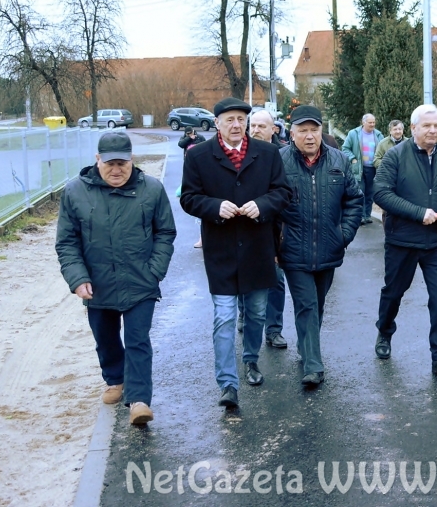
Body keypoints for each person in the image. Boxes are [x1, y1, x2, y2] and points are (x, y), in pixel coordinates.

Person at [55, 131, 176, 426]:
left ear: (132, 159)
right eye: (109, 163)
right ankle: (115, 379)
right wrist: (77, 278)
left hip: (141, 282)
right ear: (97, 160)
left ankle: (139, 400)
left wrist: (154, 271)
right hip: (97, 284)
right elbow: (67, 242)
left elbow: (165, 233)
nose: (116, 169)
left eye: (122, 163)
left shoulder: (151, 189)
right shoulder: (74, 192)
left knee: (137, 340)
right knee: (105, 338)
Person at [180, 97, 292, 408]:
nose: (236, 124)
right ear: (216, 123)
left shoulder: (267, 153)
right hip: (221, 250)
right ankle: (227, 383)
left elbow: (283, 192)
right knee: (225, 317)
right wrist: (214, 206)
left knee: (256, 312)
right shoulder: (200, 156)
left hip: (258, 247)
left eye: (241, 119)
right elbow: (188, 198)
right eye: (229, 119)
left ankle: (251, 360)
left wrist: (263, 205)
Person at [373, 104, 437, 380]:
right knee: (394, 292)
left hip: (436, 242)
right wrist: (417, 213)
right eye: (426, 125)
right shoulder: (395, 156)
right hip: (402, 240)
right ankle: (384, 330)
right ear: (413, 128)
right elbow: (380, 192)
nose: (433, 130)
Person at [278, 105, 363, 387]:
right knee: (307, 305)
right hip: (292, 249)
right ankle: (314, 365)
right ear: (292, 134)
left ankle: (307, 347)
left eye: (314, 130)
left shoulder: (338, 160)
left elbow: (354, 200)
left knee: (319, 304)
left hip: (329, 247)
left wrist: (344, 234)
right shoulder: (279, 163)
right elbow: (270, 205)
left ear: (321, 131)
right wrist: (275, 242)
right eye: (303, 131)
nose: (310, 136)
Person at [235, 108, 289, 349]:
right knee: (242, 277)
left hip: (274, 230)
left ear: (273, 130)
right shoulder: (238, 156)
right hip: (243, 230)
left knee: (276, 281)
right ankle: (244, 315)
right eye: (252, 126)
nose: (255, 130)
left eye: (261, 126)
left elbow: (284, 194)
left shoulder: (283, 156)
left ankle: (274, 329)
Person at [342, 113, 384, 224]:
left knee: (370, 193)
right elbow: (345, 148)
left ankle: (367, 216)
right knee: (360, 192)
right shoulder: (354, 134)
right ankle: (359, 217)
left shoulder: (379, 135)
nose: (372, 124)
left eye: (374, 122)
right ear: (363, 122)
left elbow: (384, 151)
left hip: (373, 169)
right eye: (370, 122)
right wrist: (352, 158)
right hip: (359, 169)